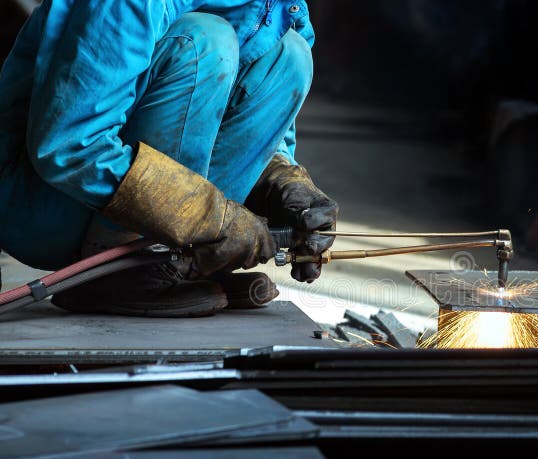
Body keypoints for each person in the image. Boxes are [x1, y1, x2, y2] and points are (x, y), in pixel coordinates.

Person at [0, 0, 338, 317]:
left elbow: (266, 131)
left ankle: (181, 266)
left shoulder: (279, 7)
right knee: (204, 43)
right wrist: (208, 216)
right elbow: (69, 147)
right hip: (39, 202)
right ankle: (119, 274)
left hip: (138, 223)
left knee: (290, 55)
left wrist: (282, 184)